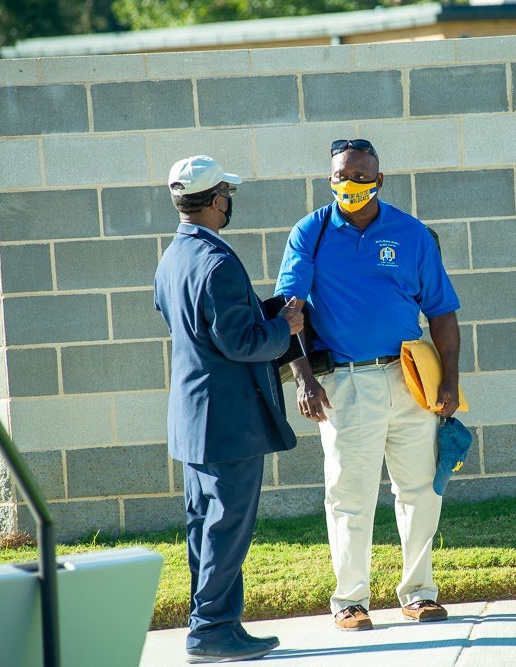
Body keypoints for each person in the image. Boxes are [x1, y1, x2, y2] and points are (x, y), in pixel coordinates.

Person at [274, 138, 461, 631]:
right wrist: (304, 379)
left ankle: (419, 592)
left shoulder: (411, 232)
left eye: (362, 176)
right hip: (346, 383)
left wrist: (450, 382)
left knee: (421, 489)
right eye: (342, 176)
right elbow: (288, 313)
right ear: (330, 178)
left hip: (411, 378)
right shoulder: (310, 233)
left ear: (379, 179)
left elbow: (441, 312)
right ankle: (350, 600)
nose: (351, 185)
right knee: (350, 494)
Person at [154, 155, 304, 662]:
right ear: (216, 200)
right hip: (229, 421)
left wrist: (264, 312)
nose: (229, 202)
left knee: (204, 524)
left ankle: (214, 624)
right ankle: (212, 632)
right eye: (227, 194)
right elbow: (240, 343)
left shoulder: (173, 256)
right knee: (226, 526)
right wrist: (285, 329)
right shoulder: (216, 260)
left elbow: (194, 324)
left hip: (195, 418)